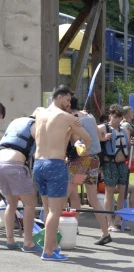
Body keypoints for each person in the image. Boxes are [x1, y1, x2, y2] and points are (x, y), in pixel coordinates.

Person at [34, 85, 91, 261]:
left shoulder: (39, 113)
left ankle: (52, 246)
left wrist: (68, 133)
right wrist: (81, 150)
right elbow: (87, 139)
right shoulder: (67, 117)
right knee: (55, 212)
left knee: (47, 209)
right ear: (59, 97)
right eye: (67, 100)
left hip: (38, 164)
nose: (69, 104)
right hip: (55, 164)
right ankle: (48, 252)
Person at [65, 97, 111, 245]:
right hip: (94, 160)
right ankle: (105, 232)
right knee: (92, 199)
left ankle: (61, 229)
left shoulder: (72, 118)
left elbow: (76, 139)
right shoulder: (90, 117)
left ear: (67, 105)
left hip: (81, 161)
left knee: (65, 193)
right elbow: (99, 136)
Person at [0, 107, 43, 252]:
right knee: (30, 204)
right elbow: (40, 149)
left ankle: (10, 241)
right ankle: (28, 242)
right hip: (15, 164)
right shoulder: (36, 125)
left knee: (11, 204)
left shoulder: (16, 122)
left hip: (1, 162)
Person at [98, 104, 134, 232]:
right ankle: (109, 222)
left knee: (122, 192)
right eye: (115, 117)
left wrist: (131, 143)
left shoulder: (123, 130)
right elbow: (91, 138)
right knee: (110, 192)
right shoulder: (103, 127)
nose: (117, 120)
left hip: (121, 164)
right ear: (110, 117)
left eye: (119, 117)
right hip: (109, 164)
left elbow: (127, 147)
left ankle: (118, 219)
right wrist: (102, 138)